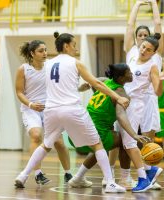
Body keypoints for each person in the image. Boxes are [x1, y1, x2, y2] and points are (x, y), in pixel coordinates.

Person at [14, 32, 130, 193]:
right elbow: (96, 83)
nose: (76, 48)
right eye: (74, 45)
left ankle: (23, 175)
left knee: (46, 145)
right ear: (66, 46)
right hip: (71, 109)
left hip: (52, 111)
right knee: (98, 145)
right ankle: (110, 183)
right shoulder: (76, 63)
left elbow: (59, 85)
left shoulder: (47, 64)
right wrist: (118, 97)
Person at [68, 63, 152, 192]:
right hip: (96, 130)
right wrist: (134, 135)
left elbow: (95, 80)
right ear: (121, 78)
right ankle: (125, 179)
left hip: (77, 131)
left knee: (99, 149)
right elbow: (120, 115)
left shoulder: (104, 83)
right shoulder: (121, 93)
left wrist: (81, 88)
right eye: (128, 72)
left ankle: (78, 178)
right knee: (125, 141)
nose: (131, 74)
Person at [107, 0, 164, 190]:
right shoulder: (132, 51)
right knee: (125, 141)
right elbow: (129, 25)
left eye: (146, 37)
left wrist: (154, 4)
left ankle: (146, 173)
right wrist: (137, 4)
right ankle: (141, 173)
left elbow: (158, 24)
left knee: (141, 139)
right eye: (140, 37)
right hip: (127, 100)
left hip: (144, 100)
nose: (142, 41)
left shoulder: (153, 59)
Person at [15, 40, 72, 186]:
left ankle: (68, 174)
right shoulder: (23, 69)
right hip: (30, 108)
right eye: (41, 51)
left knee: (59, 142)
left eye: (46, 50)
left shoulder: (51, 65)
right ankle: (38, 174)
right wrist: (31, 104)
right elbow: (19, 92)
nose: (45, 53)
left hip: (49, 109)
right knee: (36, 136)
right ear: (32, 53)